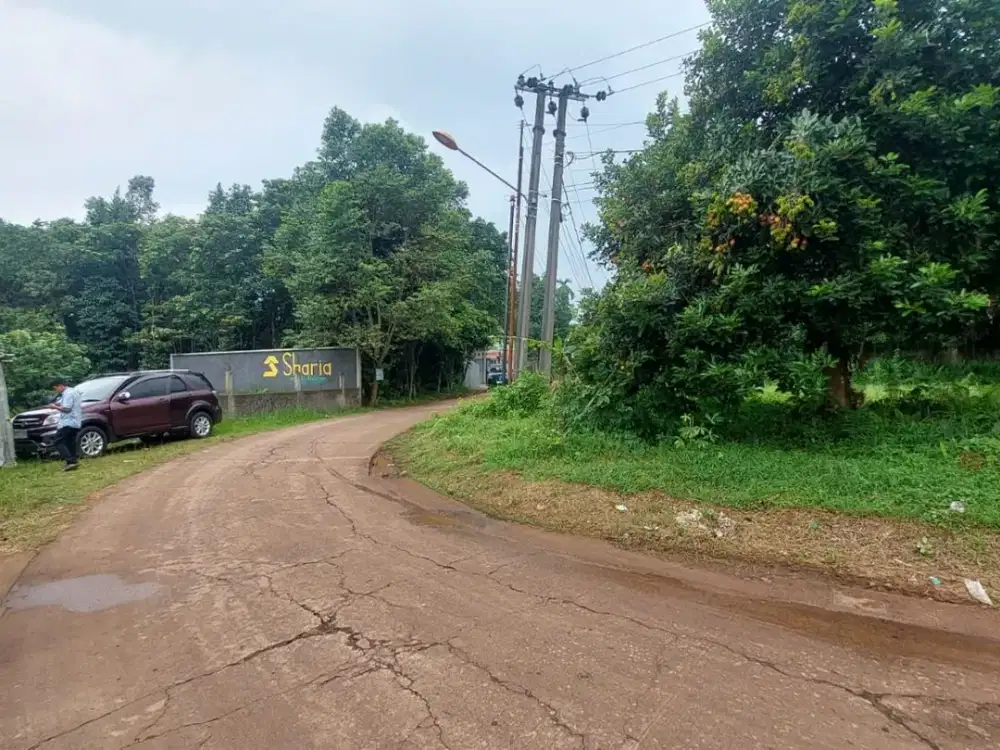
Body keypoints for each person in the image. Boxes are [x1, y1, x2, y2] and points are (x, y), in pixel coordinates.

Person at [49, 378, 82, 471]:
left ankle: (70, 461)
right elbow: (63, 404)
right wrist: (55, 404)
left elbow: (67, 409)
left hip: (68, 422)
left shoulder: (68, 394)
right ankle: (73, 461)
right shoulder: (72, 392)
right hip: (75, 422)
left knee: (58, 441)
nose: (56, 390)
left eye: (56, 388)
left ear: (60, 385)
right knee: (69, 441)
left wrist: (55, 407)